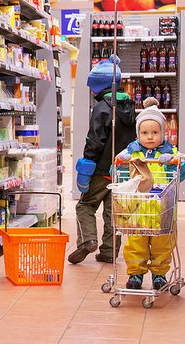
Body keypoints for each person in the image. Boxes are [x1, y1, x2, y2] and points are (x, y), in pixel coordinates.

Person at [115, 97, 185, 290]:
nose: (149, 137)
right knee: (135, 241)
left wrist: (174, 161)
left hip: (162, 208)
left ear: (163, 134)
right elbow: (117, 173)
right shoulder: (132, 152)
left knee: (162, 243)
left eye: (155, 132)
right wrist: (121, 160)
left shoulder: (169, 152)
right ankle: (135, 274)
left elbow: (184, 170)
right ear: (138, 133)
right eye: (145, 132)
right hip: (138, 208)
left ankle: (159, 273)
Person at [69, 55, 136, 264]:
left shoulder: (101, 107)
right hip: (122, 168)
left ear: (100, 84)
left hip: (101, 169)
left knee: (85, 205)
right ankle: (109, 252)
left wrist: (87, 164)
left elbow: (95, 140)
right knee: (112, 211)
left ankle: (87, 240)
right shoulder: (129, 106)